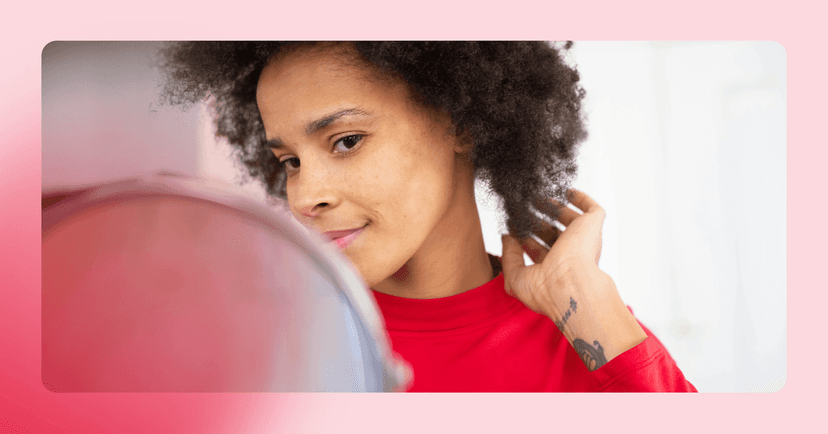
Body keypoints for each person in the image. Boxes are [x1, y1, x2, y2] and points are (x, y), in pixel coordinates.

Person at [159, 41, 697, 392]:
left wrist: (588, 303)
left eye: (346, 141)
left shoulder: (592, 336)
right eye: (290, 162)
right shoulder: (274, 347)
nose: (303, 197)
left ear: (459, 121)